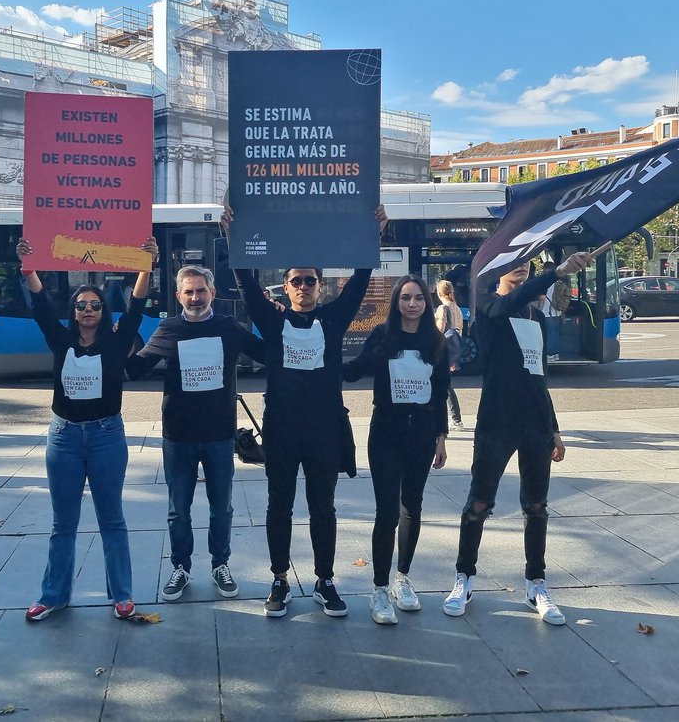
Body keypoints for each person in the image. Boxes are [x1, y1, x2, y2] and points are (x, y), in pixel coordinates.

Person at [223, 204, 388, 620]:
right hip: (281, 429)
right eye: (295, 281)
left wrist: (375, 235)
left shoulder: (333, 319)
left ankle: (324, 581)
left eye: (309, 280)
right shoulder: (272, 321)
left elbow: (360, 280)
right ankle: (279, 579)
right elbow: (246, 284)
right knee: (279, 506)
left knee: (323, 507)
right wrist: (232, 236)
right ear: (285, 287)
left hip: (324, 430)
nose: (302, 286)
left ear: (320, 286)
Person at [16, 235, 157, 622]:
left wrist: (145, 267)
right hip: (63, 438)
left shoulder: (117, 341)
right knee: (63, 523)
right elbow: (42, 306)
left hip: (106, 437)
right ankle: (54, 595)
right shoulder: (61, 339)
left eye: (95, 305)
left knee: (112, 519)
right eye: (81, 305)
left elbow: (136, 307)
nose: (89, 310)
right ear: (74, 312)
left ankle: (122, 595)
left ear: (103, 310)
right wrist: (29, 269)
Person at [444, 251, 589, 626]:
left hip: (535, 422)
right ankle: (464, 577)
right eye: (514, 260)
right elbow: (509, 303)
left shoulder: (536, 317)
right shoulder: (489, 307)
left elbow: (539, 374)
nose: (521, 265)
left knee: (537, 506)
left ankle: (536, 583)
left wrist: (553, 426)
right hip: (497, 420)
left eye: (527, 260)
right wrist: (557, 272)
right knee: (479, 502)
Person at [126, 264, 264, 603]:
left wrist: (279, 315)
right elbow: (135, 369)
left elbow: (268, 353)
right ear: (178, 296)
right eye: (189, 291)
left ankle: (220, 565)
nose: (195, 297)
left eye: (201, 290)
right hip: (179, 437)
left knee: (222, 508)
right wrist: (115, 342)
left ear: (212, 293)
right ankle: (180, 568)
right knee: (179, 510)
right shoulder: (169, 329)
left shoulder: (228, 327)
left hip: (219, 435)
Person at [343, 274, 449, 625]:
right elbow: (356, 370)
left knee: (412, 507)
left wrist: (441, 437)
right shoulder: (382, 335)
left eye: (418, 298)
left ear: (426, 302)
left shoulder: (435, 340)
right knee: (386, 512)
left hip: (422, 434)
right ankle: (379, 588)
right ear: (396, 302)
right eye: (405, 298)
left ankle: (402, 578)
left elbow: (440, 391)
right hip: (386, 432)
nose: (412, 304)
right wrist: (322, 362)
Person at [434, 279, 465, 430]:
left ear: (439, 293)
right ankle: (455, 418)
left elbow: (440, 330)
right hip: (453, 350)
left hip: (442, 350)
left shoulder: (442, 308)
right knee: (444, 383)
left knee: (443, 384)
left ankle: (455, 419)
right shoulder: (457, 309)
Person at [539, 261, 569, 362]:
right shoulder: (559, 282)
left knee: (549, 334)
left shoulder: (546, 283)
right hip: (557, 312)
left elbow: (542, 298)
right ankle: (556, 354)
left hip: (547, 313)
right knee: (555, 334)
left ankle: (549, 355)